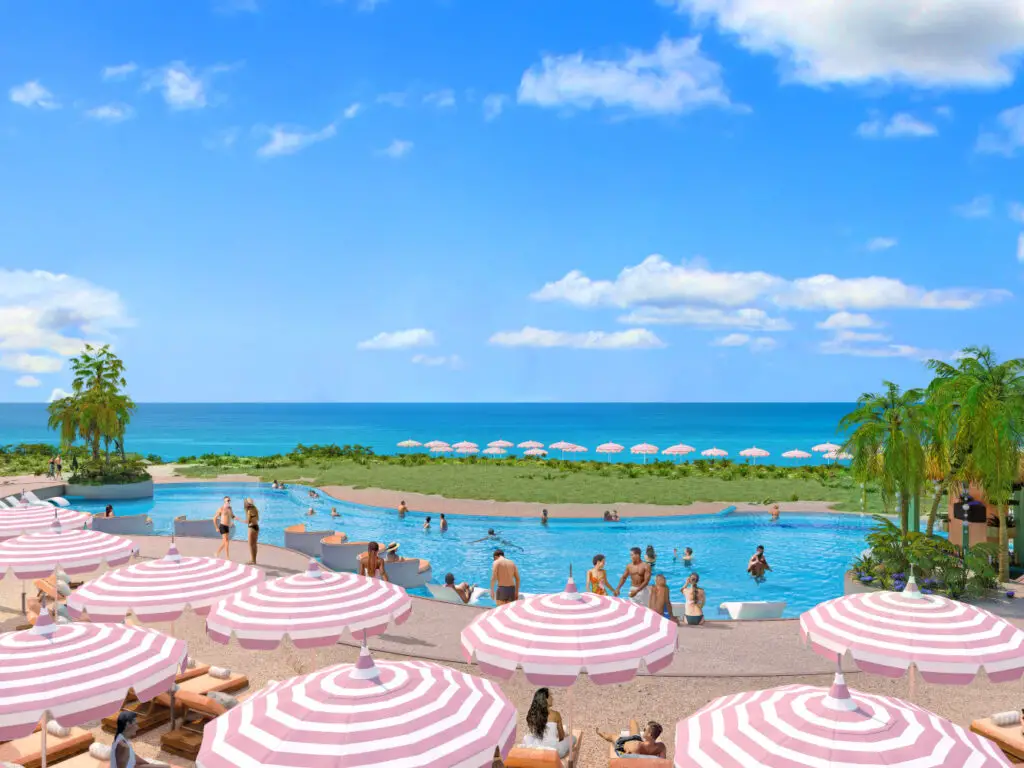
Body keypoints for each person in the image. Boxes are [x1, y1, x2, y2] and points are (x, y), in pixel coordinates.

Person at [523, 688, 576, 759]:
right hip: (553, 752)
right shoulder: (555, 714)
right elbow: (561, 737)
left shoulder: (533, 715)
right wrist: (559, 742)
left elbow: (538, 733)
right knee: (573, 738)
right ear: (545, 699)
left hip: (538, 749)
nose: (552, 698)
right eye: (550, 696)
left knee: (527, 737)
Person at [596, 720, 667, 759]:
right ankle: (633, 720)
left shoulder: (636, 747)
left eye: (645, 729)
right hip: (637, 741)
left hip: (622, 744)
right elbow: (662, 762)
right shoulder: (661, 747)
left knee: (612, 737)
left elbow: (625, 759)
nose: (644, 730)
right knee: (633, 723)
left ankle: (600, 732)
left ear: (649, 734)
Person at [244, 497, 260, 565]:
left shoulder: (249, 510)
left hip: (251, 527)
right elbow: (257, 519)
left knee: (251, 544)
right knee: (254, 544)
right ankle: (254, 560)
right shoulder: (255, 509)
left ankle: (253, 560)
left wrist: (240, 520)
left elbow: (248, 521)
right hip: (256, 527)